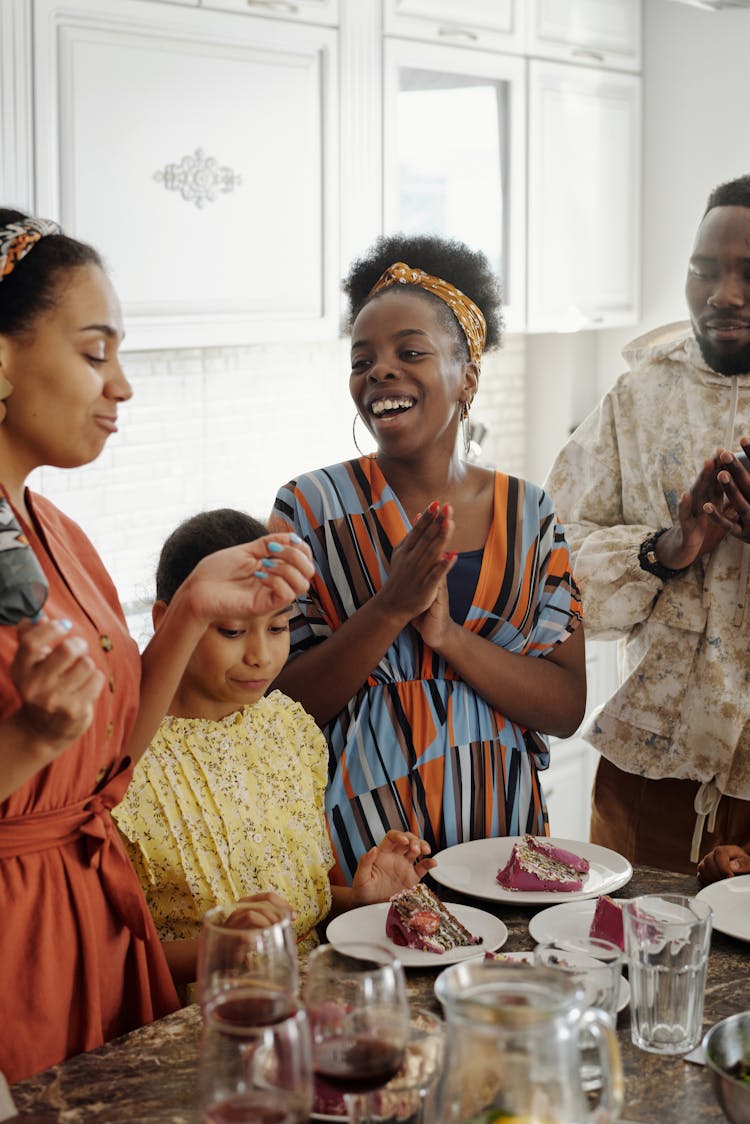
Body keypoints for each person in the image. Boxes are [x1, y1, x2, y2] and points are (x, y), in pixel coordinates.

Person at [0, 210, 314, 1083]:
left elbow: (110, 764)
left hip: (89, 923)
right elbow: (44, 754)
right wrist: (28, 739)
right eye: (96, 353)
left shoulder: (56, 530)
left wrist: (188, 615)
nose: (123, 386)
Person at [271, 234, 586, 884]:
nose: (380, 371)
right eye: (363, 360)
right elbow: (277, 711)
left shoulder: (529, 514)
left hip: (502, 833)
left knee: (500, 985)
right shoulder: (310, 508)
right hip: (362, 845)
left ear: (466, 375)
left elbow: (564, 706)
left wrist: (446, 637)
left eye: (409, 352)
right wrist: (389, 609)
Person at [113, 508, 435, 989]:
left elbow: (307, 896)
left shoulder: (288, 728)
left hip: (309, 1001)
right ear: (169, 619)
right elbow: (102, 955)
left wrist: (360, 900)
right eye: (233, 631)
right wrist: (220, 945)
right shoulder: (123, 762)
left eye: (279, 627)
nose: (261, 654)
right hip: (199, 1023)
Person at [544, 174, 750, 875]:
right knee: (624, 971)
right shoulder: (640, 394)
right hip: (647, 775)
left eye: (749, 274)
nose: (723, 294)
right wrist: (665, 548)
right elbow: (551, 572)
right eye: (703, 271)